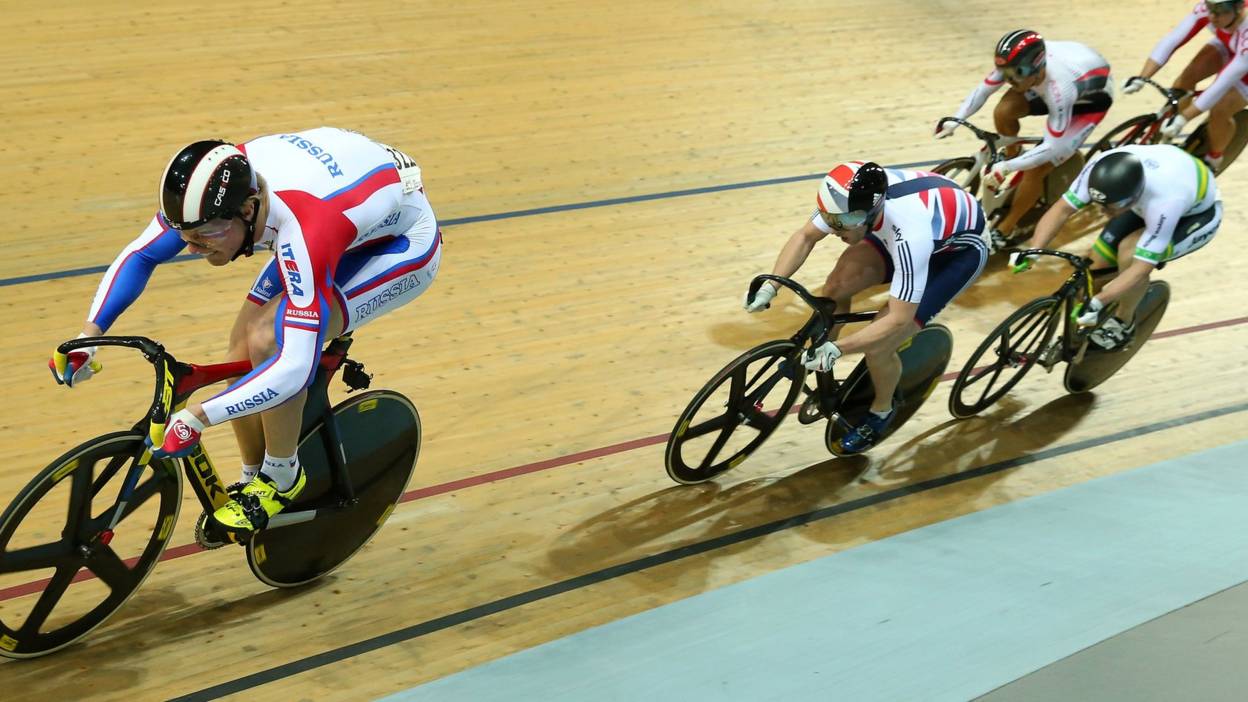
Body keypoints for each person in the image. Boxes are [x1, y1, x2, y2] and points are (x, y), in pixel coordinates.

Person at [49, 127, 442, 536]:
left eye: (204, 237)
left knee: (270, 337)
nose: (192, 249)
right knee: (241, 339)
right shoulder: (211, 193)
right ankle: (254, 479)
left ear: (250, 209)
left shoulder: (305, 228)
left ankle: (281, 478)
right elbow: (143, 254)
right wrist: (87, 336)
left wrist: (200, 416)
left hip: (400, 241)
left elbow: (294, 365)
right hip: (346, 205)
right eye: (184, 236)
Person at [743, 161, 987, 454]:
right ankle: (818, 357)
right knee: (835, 288)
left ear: (865, 215)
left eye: (840, 225)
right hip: (904, 230)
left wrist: (840, 350)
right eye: (830, 221)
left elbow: (898, 319)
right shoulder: (848, 200)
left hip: (955, 256)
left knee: (879, 345)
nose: (832, 230)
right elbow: (805, 236)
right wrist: (773, 285)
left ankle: (882, 410)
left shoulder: (911, 234)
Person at [1010, 144, 1220, 350]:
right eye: (1098, 204)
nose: (1103, 213)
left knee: (1130, 254)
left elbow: (1142, 267)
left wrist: (1100, 301)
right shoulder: (1099, 167)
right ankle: (1104, 303)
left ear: (1133, 197)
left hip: (1194, 217)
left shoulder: (1167, 202)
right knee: (1094, 267)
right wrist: (1033, 250)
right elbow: (1062, 209)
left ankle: (1123, 324)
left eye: (1110, 208)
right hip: (1144, 199)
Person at [935, 30, 1114, 251]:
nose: (1008, 80)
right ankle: (1015, 154)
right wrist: (956, 120)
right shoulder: (1017, 66)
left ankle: (1006, 228)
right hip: (1056, 75)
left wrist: (1007, 167)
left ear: (1036, 68)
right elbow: (982, 91)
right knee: (1004, 111)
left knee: (1036, 169)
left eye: (1014, 74)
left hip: (1089, 100)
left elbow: (1051, 147)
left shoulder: (1060, 88)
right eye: (1005, 73)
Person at [1158, 1, 1248, 170]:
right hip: (1234, 43)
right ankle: (1166, 137)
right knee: (1185, 80)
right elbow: (1175, 37)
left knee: (1220, 109)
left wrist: (1183, 118)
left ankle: (1214, 158)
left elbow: (1221, 84)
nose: (1213, 14)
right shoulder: (1221, 10)